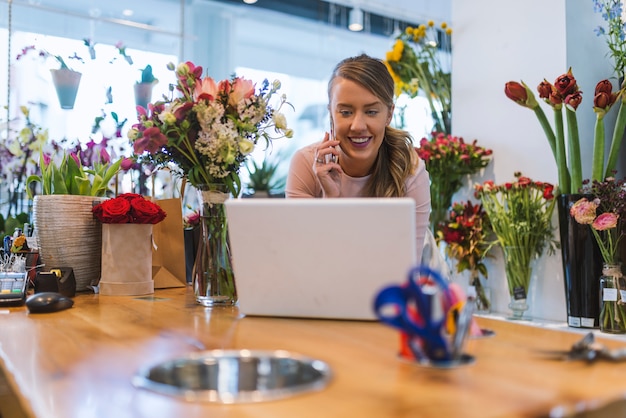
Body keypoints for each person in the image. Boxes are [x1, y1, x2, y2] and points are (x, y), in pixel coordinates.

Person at [285, 53, 431, 263]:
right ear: (331, 113)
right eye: (345, 112)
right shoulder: (306, 164)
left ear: (389, 114)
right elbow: (301, 262)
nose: (358, 126)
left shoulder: (409, 170)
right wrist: (330, 201)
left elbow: (408, 269)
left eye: (371, 112)